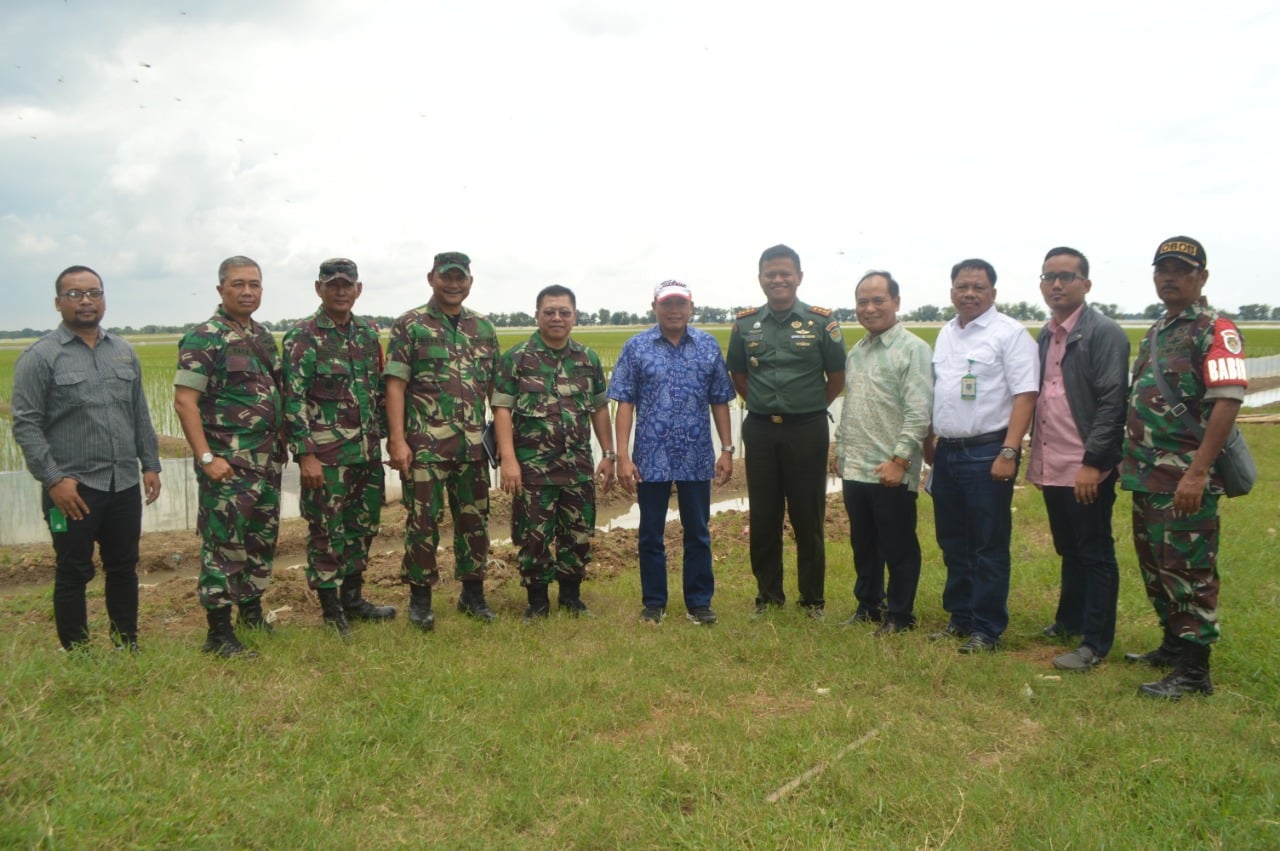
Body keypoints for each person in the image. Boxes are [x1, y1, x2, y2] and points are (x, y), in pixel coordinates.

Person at [12, 265, 162, 652]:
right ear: (58, 302)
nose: (86, 301)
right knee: (74, 571)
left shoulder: (123, 352)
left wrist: (150, 464)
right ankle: (77, 651)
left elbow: (139, 414)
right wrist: (53, 479)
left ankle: (127, 643)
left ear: (104, 298)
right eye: (75, 294)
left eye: (94, 293)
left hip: (123, 482)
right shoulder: (41, 356)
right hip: (74, 489)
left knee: (123, 567)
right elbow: (26, 425)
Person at [1122, 236, 1246, 699]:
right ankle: (1173, 645)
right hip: (1147, 475)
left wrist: (1197, 472)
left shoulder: (1216, 329)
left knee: (1189, 569)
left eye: (1180, 269)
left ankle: (1195, 671)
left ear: (1202, 278)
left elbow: (1227, 401)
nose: (1169, 277)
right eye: (1162, 270)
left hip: (1186, 479)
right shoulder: (1158, 329)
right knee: (1157, 566)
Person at [174, 256, 285, 659]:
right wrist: (206, 457)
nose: (247, 291)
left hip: (266, 463)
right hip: (227, 464)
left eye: (254, 284)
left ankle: (251, 614)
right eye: (238, 284)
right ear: (221, 289)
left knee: (259, 540)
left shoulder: (262, 335)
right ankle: (218, 633)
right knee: (223, 545)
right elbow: (185, 401)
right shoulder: (205, 337)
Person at [926, 259, 1038, 653]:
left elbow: (1026, 395)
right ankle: (960, 617)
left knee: (988, 543)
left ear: (993, 292)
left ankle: (987, 628)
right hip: (949, 451)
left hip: (988, 451)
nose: (968, 293)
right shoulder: (945, 334)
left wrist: (1009, 450)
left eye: (977, 287)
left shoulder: (1010, 334)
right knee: (953, 541)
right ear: (951, 290)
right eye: (961, 286)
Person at [726, 244, 845, 618]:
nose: (778, 280)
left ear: (799, 277)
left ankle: (812, 600)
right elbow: (740, 376)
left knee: (808, 515)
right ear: (760, 278)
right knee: (763, 516)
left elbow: (837, 377)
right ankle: (768, 597)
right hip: (760, 430)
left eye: (785, 273)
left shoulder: (821, 321)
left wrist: (804, 406)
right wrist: (768, 405)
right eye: (770, 274)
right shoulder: (745, 324)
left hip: (807, 430)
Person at [384, 252, 500, 631]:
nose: (453, 284)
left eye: (460, 278)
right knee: (422, 523)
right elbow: (396, 386)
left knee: (475, 521)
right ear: (431, 278)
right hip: (424, 449)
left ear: (469, 281)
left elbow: (496, 392)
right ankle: (420, 598)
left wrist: (500, 444)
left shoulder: (483, 327)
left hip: (472, 449)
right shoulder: (410, 325)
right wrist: (397, 440)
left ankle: (473, 593)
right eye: (446, 277)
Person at [610, 280, 736, 625]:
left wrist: (726, 449)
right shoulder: (637, 347)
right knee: (650, 532)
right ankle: (654, 602)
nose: (674, 310)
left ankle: (699, 602)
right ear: (655, 307)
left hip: (696, 455)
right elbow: (625, 403)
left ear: (691, 307)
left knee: (698, 530)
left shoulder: (708, 346)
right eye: (667, 304)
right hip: (651, 456)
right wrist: (623, 455)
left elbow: (720, 400)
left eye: (681, 303)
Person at [1027, 247, 1129, 671]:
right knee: (1069, 547)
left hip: (1084, 465)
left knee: (1095, 551)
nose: (1056, 284)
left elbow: (1111, 403)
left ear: (1086, 285)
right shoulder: (1046, 335)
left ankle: (1095, 642)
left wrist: (1094, 461)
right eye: (1049, 276)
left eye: (1066, 276)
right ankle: (1068, 621)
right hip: (1053, 463)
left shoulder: (1103, 333)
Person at [282, 258, 395, 637]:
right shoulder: (303, 336)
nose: (341, 291)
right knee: (326, 532)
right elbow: (293, 398)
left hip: (364, 454)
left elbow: (378, 390)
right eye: (333, 285)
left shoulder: (367, 333)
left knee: (362, 528)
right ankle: (331, 612)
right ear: (319, 288)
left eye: (348, 284)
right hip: (326, 458)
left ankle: (354, 600)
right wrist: (306, 454)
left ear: (358, 289)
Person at [493, 284, 616, 620]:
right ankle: (537, 601)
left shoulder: (587, 359)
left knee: (577, 534)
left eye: (564, 312)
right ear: (537, 315)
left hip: (577, 466)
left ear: (575, 316)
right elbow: (502, 410)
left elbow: (599, 409)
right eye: (549, 311)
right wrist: (508, 459)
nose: (557, 318)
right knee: (534, 537)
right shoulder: (516, 358)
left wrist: (609, 453)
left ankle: (571, 597)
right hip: (532, 469)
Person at [830, 271, 932, 635]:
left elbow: (919, 411)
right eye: (862, 302)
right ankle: (869, 604)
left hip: (891, 469)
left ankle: (900, 614)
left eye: (878, 300)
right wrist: (840, 448)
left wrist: (901, 460)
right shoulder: (857, 352)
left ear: (896, 302)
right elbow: (852, 405)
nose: (869, 308)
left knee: (898, 545)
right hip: (856, 466)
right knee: (864, 543)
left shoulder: (913, 349)